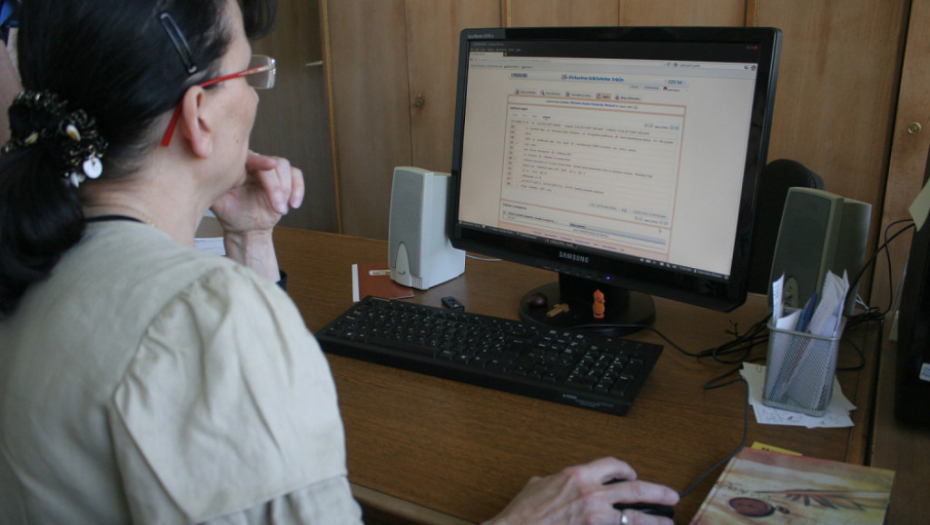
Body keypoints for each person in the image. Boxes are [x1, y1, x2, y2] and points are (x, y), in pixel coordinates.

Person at [0, 0, 680, 524]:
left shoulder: (35, 253)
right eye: (250, 73)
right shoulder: (200, 317)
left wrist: (251, 238)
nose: (256, 95)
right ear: (199, 115)